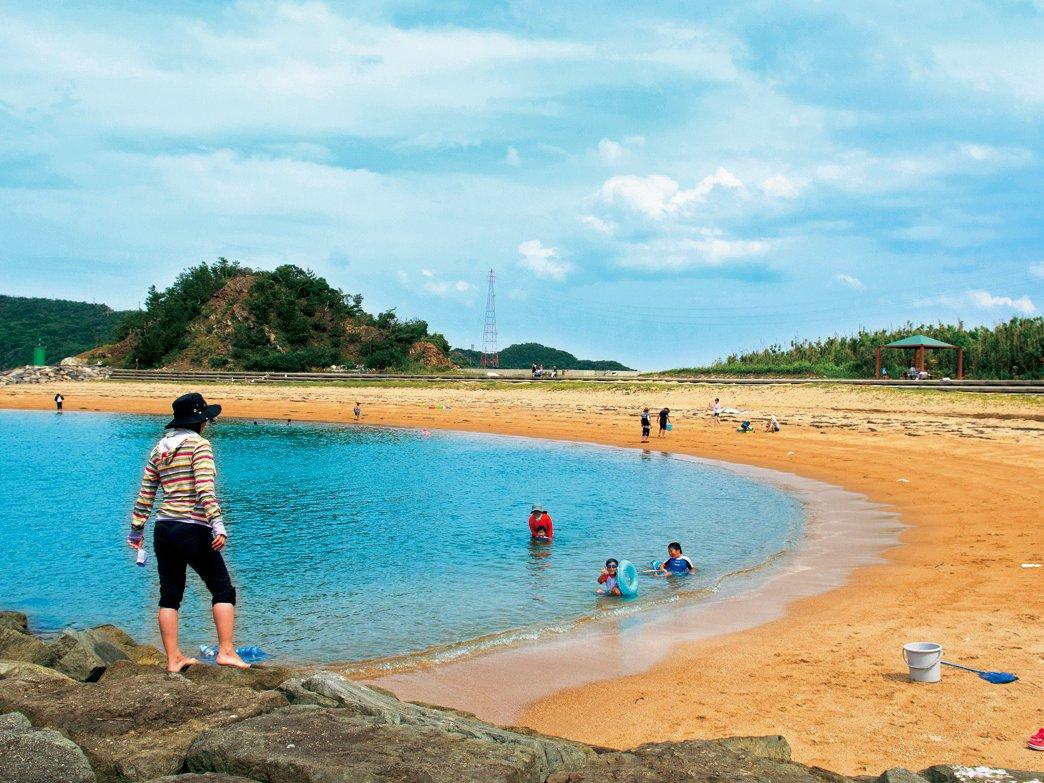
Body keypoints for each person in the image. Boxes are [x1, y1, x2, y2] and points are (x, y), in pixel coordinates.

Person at [128, 392, 248, 673]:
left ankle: (173, 660)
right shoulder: (199, 446)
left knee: (170, 595)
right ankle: (227, 651)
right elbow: (205, 488)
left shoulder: (159, 449)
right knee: (222, 589)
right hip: (192, 526)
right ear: (200, 421)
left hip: (164, 527)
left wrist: (136, 530)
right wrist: (217, 523)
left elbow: (146, 493)